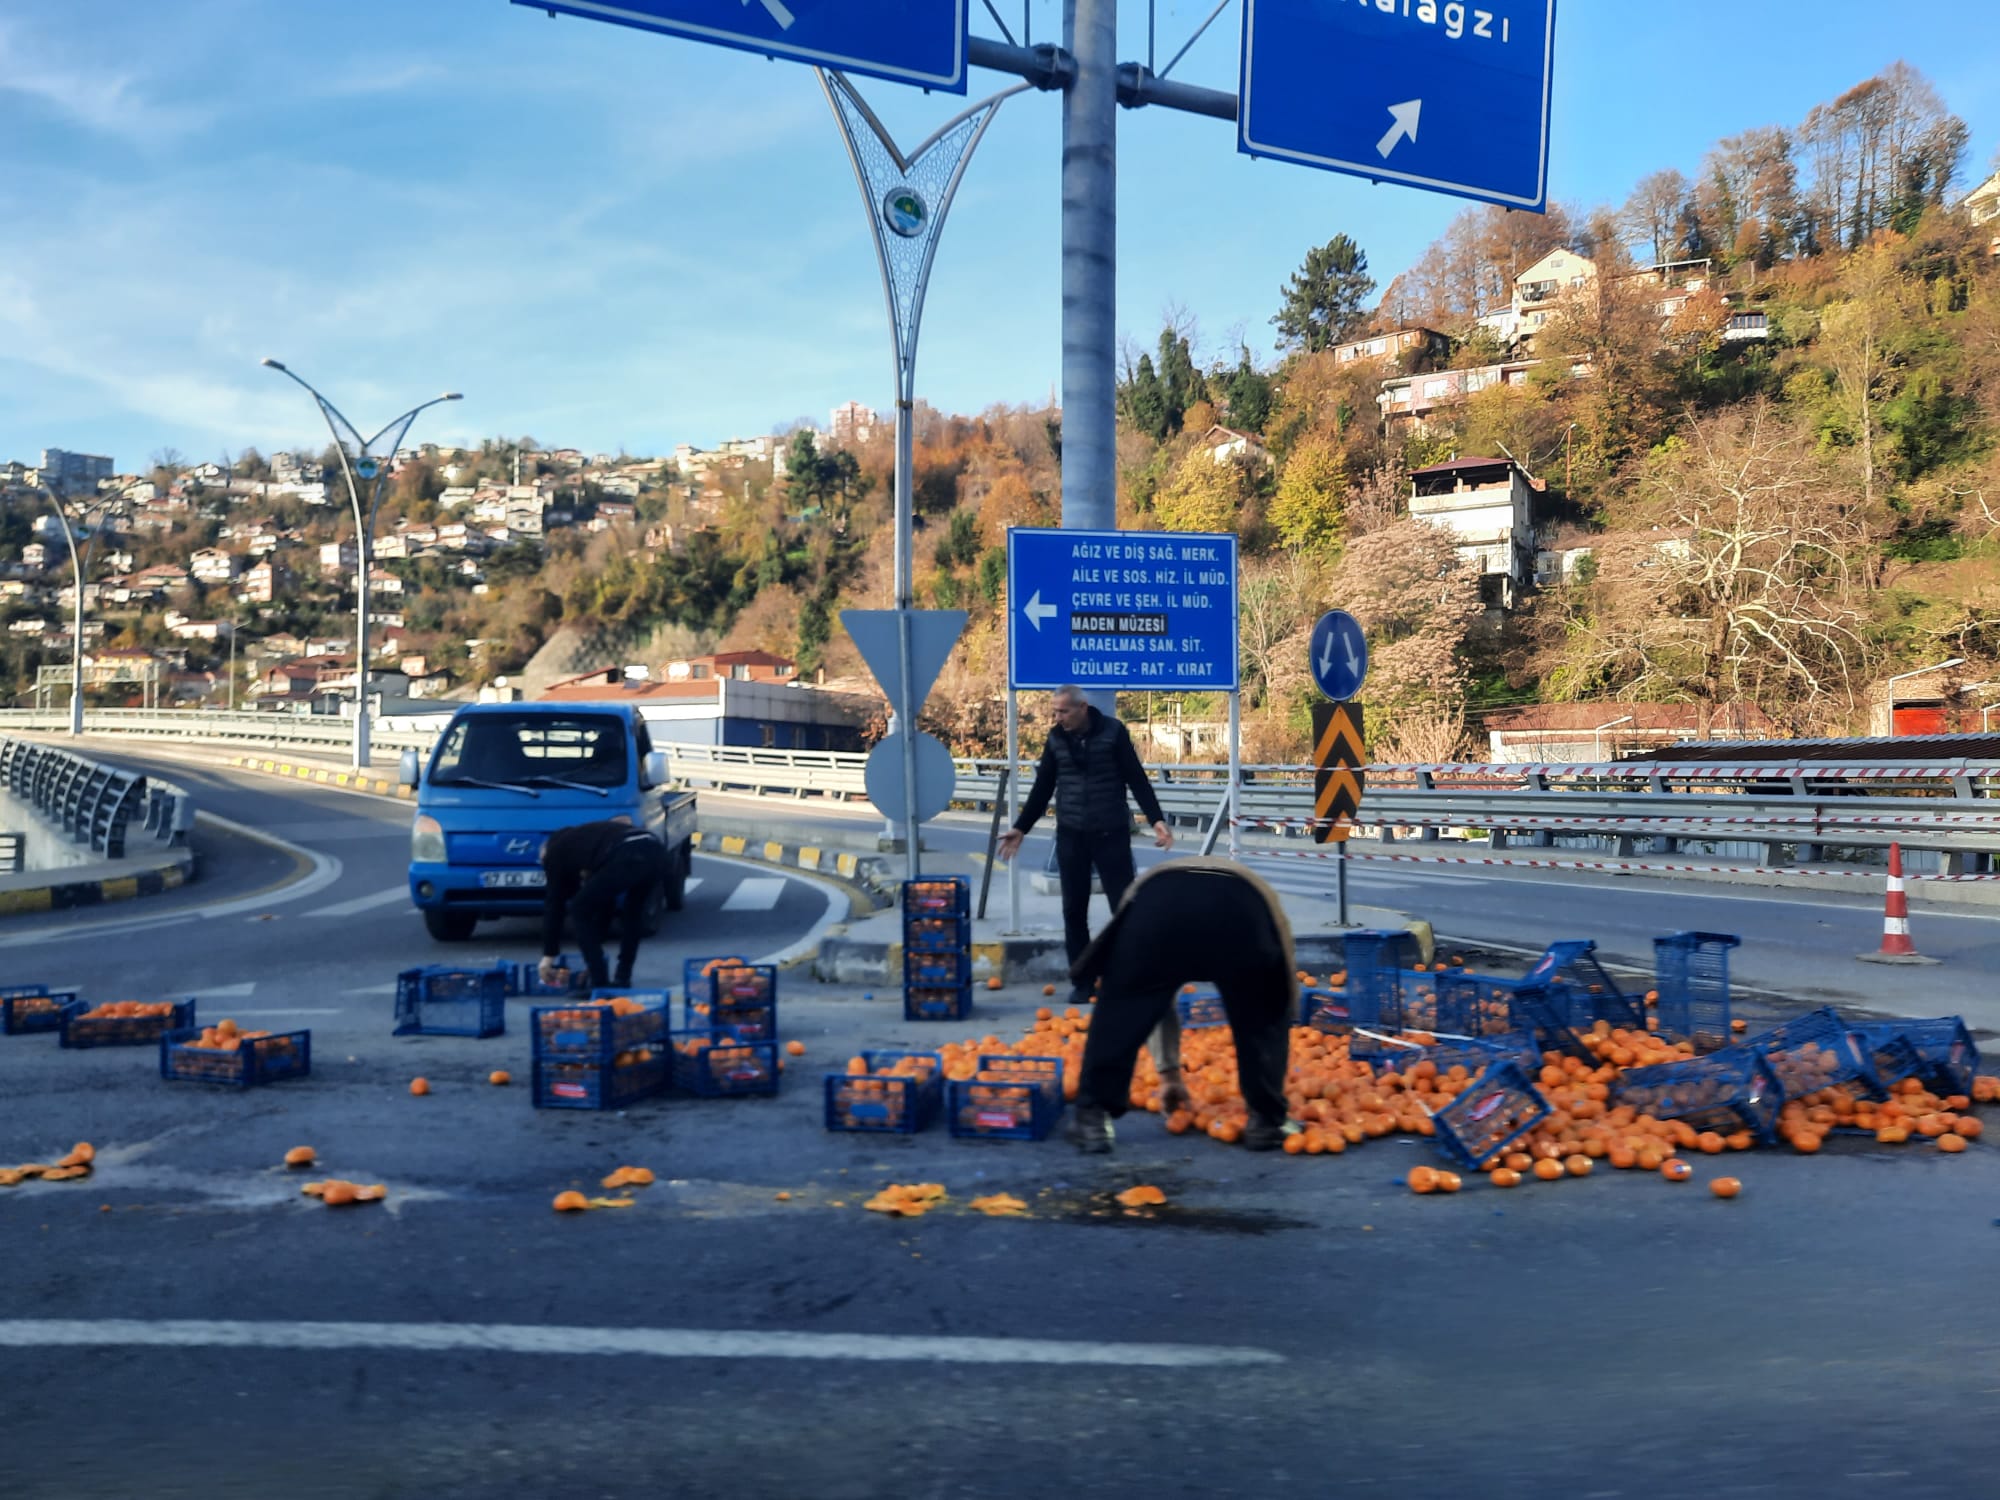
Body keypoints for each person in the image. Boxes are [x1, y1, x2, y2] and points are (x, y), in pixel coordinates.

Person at [1064, 858, 1298, 1154]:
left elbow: (1152, 1000)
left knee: (1121, 1011)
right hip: (1240, 916)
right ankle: (1266, 1121)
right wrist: (1282, 1008)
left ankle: (1091, 1119)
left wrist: (1168, 1073)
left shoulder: (1143, 892)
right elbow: (1283, 979)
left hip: (1158, 916)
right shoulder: (1258, 890)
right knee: (1262, 1014)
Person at [996, 686, 1173, 995]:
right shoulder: (1055, 739)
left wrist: (1156, 819)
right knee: (1073, 911)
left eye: (1063, 711)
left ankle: (1126, 976)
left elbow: (1136, 778)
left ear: (1082, 708)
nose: (1058, 717)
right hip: (1071, 834)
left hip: (1111, 833)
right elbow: (1043, 787)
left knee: (1124, 908)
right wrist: (1021, 828)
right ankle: (1082, 980)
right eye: (1055, 711)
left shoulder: (1113, 732)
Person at [536, 817, 668, 993]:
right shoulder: (585, 840)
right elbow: (605, 906)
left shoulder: (554, 853)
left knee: (578, 909)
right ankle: (622, 977)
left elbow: (554, 906)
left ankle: (600, 983)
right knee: (633, 913)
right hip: (655, 849)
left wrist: (549, 956)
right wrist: (593, 952)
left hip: (627, 852)